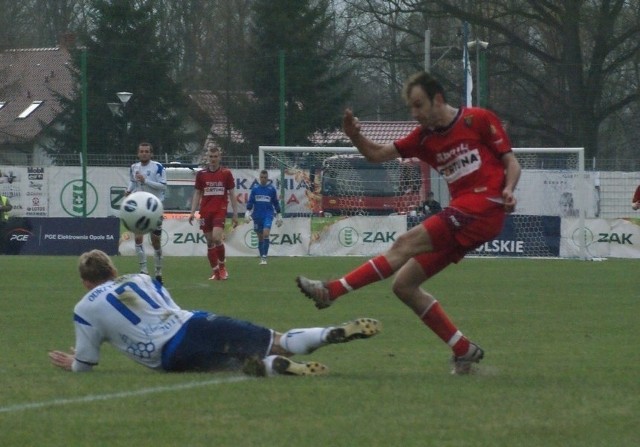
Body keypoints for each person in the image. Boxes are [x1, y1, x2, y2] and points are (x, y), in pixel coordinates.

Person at [296, 71, 521, 375]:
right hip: (465, 215)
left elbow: (511, 161)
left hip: (484, 205)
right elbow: (376, 154)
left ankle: (332, 290)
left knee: (403, 244)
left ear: (437, 99)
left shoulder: (477, 120)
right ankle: (463, 350)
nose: (415, 114)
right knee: (404, 285)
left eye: (419, 106)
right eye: (411, 108)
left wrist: (509, 188)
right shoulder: (424, 137)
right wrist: (355, 136)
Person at [48, 249, 381, 376]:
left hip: (169, 361)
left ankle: (275, 368)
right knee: (275, 340)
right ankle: (327, 334)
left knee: (240, 367)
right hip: (190, 325)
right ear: (112, 269)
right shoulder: (140, 278)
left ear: (84, 282)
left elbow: (86, 365)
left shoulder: (85, 307)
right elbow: (170, 308)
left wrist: (73, 361)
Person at [189, 144, 239, 280]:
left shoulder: (226, 173)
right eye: (211, 156)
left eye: (215, 156)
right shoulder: (201, 174)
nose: (213, 159)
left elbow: (232, 194)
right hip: (205, 211)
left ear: (219, 157)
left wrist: (235, 213)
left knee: (217, 238)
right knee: (209, 242)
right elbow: (197, 193)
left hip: (219, 210)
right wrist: (192, 211)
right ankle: (215, 272)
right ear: (207, 157)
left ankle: (222, 267)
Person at [126, 142, 167, 284]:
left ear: (151, 153)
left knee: (156, 242)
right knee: (138, 238)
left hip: (155, 207)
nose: (144, 153)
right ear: (138, 153)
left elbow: (163, 185)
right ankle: (143, 270)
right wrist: (128, 191)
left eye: (146, 151)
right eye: (141, 151)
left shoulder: (158, 167)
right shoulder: (134, 167)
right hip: (140, 207)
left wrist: (146, 180)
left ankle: (158, 271)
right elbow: (132, 182)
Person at [245, 170, 283, 264]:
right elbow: (251, 201)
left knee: (266, 233)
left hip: (268, 214)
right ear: (259, 177)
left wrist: (279, 214)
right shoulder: (255, 189)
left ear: (267, 178)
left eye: (265, 177)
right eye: (261, 177)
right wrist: (247, 212)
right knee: (260, 237)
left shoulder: (271, 189)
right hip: (257, 215)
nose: (263, 179)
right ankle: (262, 256)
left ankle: (264, 257)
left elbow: (275, 202)